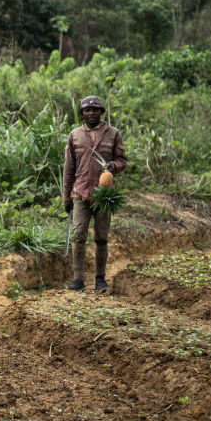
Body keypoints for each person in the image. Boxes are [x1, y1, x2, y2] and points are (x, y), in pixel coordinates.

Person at [62, 95, 127, 292]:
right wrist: (66, 196)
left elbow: (122, 160)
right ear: (82, 113)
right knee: (79, 236)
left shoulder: (113, 134)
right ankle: (78, 279)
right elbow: (69, 167)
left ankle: (100, 279)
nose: (91, 113)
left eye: (95, 110)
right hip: (80, 193)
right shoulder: (75, 135)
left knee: (101, 237)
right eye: (87, 110)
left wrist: (113, 166)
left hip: (103, 195)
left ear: (101, 112)